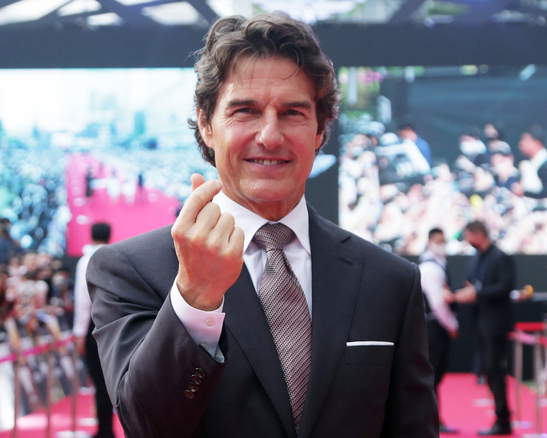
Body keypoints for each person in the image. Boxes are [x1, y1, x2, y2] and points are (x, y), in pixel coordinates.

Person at [87, 13, 438, 438]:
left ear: (321, 130)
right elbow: (148, 426)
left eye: (292, 112)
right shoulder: (132, 270)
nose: (270, 136)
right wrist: (196, 298)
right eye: (245, 111)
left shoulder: (390, 281)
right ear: (206, 123)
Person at [451, 221, 515, 436]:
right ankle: (500, 416)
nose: (468, 241)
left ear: (479, 234)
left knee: (496, 371)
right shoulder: (477, 257)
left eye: (469, 236)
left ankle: (503, 420)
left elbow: (505, 287)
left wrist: (478, 294)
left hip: (496, 325)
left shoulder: (500, 257)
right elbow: (470, 283)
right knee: (489, 370)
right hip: (480, 322)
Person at [73, 222, 114, 438]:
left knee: (100, 381)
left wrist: (79, 333)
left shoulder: (86, 260)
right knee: (111, 380)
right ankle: (108, 429)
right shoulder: (116, 256)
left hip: (93, 325)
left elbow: (83, 299)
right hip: (114, 324)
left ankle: (105, 431)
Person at [419, 228, 459, 435]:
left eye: (444, 240)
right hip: (434, 328)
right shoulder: (431, 269)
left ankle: (432, 419)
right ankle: (431, 420)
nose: (442, 244)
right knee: (433, 375)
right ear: (429, 242)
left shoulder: (436, 266)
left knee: (435, 375)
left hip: (434, 326)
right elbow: (437, 304)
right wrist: (452, 325)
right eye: (438, 241)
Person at [513, 123, 547, 200]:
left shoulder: (546, 164)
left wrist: (524, 192)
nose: (521, 144)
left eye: (526, 140)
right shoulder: (526, 162)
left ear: (537, 143)